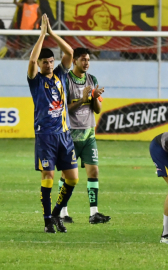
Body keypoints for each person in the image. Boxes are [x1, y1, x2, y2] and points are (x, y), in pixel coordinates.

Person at [28, 14, 78, 233]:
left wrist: (52, 33)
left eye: (50, 61)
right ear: (39, 64)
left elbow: (70, 53)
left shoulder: (59, 74)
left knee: (73, 179)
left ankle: (57, 211)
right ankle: (47, 219)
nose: (49, 64)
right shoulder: (36, 80)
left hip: (64, 135)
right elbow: (31, 61)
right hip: (45, 135)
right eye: (45, 62)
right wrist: (41, 35)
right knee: (47, 176)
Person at [59, 47, 110, 224]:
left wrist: (94, 97)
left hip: (89, 134)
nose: (86, 63)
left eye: (88, 59)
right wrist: (82, 98)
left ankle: (94, 213)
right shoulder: (65, 80)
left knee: (94, 171)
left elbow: (97, 110)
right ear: (74, 61)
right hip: (70, 135)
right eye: (83, 59)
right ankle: (62, 212)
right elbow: (63, 109)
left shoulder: (92, 79)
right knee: (67, 175)